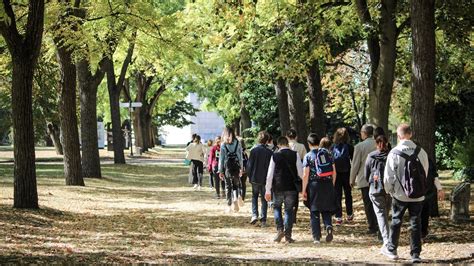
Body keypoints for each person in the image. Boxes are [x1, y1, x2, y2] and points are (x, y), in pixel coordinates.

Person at [383, 124, 429, 263]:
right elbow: (425, 172)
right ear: (411, 134)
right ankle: (415, 254)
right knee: (416, 223)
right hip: (418, 194)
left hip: (400, 194)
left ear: (398, 136)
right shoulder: (421, 152)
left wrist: (390, 190)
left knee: (396, 221)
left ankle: (392, 250)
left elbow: (388, 176)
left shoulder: (394, 152)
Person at [265, 137, 303, 243]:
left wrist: (267, 190)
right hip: (291, 187)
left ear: (278, 145)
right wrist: (303, 187)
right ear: (287, 144)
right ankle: (288, 235)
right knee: (289, 210)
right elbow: (300, 173)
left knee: (277, 207)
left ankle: (280, 230)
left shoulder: (275, 156)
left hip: (278, 187)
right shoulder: (295, 154)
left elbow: (270, 174)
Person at [303, 134, 337, 244]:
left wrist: (303, 190)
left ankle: (316, 237)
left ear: (309, 144)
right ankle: (328, 225)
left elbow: (305, 175)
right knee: (326, 209)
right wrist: (332, 184)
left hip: (314, 185)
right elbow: (334, 171)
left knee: (314, 211)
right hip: (327, 184)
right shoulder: (328, 153)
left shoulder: (308, 156)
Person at [350, 124, 378, 235]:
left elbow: (355, 164)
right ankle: (379, 224)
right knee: (378, 202)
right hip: (378, 178)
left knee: (368, 203)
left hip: (364, 178)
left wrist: (351, 179)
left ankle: (372, 226)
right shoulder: (378, 143)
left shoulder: (359, 146)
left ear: (364, 133)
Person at [365, 135, 391, 248]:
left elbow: (366, 174)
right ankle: (384, 235)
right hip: (389, 189)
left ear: (376, 144)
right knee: (385, 212)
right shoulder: (392, 155)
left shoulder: (371, 156)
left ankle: (385, 237)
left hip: (375, 188)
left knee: (380, 214)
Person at [247, 131, 273, 227]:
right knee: (264, 198)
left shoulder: (254, 151)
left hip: (254, 177)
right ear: (267, 141)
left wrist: (249, 176)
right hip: (265, 179)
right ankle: (263, 219)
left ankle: (254, 215)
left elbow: (249, 165)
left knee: (254, 196)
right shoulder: (270, 152)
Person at [331, 127, 354, 225]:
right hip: (347, 173)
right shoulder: (349, 147)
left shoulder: (332, 147)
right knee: (348, 194)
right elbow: (353, 161)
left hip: (336, 173)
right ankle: (349, 215)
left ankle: (338, 216)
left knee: (337, 195)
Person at [218, 127, 244, 212]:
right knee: (236, 184)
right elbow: (240, 157)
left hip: (227, 167)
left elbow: (221, 159)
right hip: (236, 166)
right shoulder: (237, 143)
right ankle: (237, 196)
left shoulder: (223, 145)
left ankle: (229, 205)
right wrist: (241, 168)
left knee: (228, 186)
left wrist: (220, 170)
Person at [421, 159, 445, 239]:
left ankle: (422, 233)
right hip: (421, 191)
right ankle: (421, 233)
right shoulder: (426, 159)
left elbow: (434, 175)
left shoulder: (427, 160)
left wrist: (440, 189)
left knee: (424, 212)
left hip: (424, 192)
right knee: (422, 212)